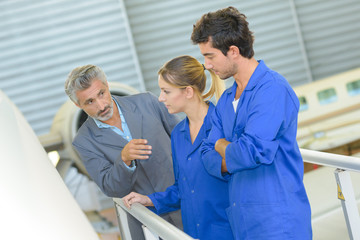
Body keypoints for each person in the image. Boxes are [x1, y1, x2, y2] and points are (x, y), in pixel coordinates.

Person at [191, 6, 312, 240]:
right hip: (244, 223)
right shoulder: (226, 100)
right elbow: (206, 153)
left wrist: (222, 146)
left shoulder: (272, 90)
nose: (206, 65)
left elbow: (250, 152)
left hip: (278, 223)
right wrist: (227, 150)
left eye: (210, 55)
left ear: (233, 51)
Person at [64, 65, 182, 240]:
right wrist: (124, 160)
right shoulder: (83, 142)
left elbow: (185, 144)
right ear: (77, 104)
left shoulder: (148, 102)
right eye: (89, 102)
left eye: (101, 93)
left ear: (107, 85)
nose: (101, 105)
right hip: (146, 224)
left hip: (186, 206)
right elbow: (111, 188)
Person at [123, 55, 234, 240]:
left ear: (188, 92)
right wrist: (148, 199)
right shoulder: (178, 134)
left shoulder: (224, 126)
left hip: (228, 231)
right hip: (194, 233)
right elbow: (182, 189)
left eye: (166, 91)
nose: (160, 98)